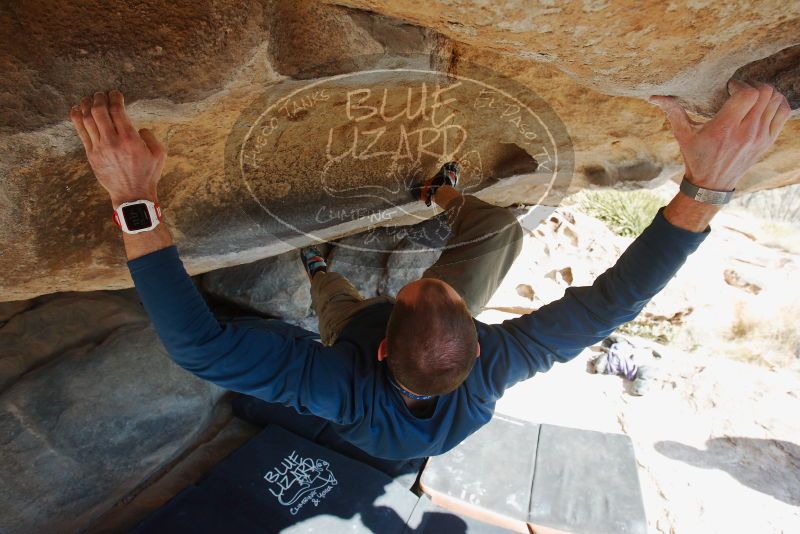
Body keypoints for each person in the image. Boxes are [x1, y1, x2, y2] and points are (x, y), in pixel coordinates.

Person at [68, 80, 790, 460]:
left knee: (337, 301)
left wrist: (134, 199)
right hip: (428, 382)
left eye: (418, 287)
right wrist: (704, 190)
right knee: (498, 230)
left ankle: (320, 266)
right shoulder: (495, 365)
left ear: (384, 346)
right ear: (479, 342)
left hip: (367, 395)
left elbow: (199, 347)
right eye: (438, 286)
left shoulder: (340, 383)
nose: (414, 280)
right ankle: (437, 194)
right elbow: (611, 304)